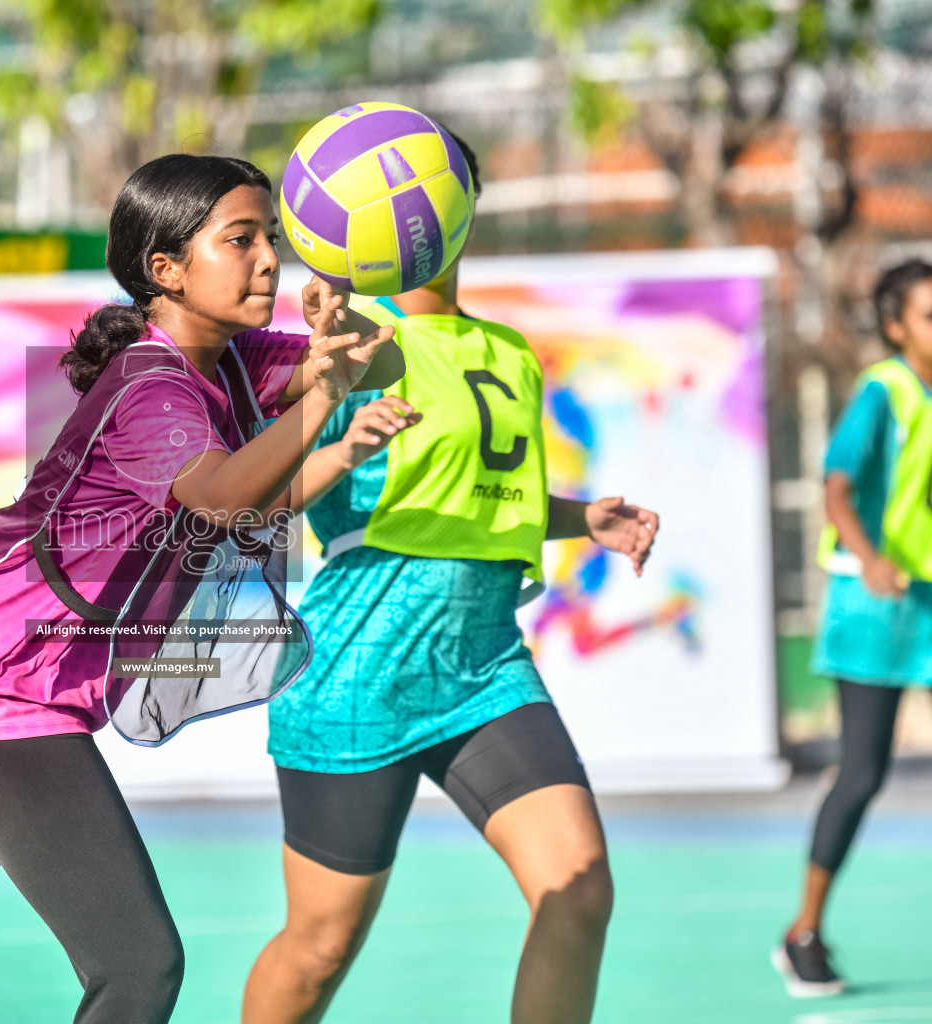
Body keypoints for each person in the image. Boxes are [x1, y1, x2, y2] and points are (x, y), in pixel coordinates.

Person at [0, 152, 401, 1024]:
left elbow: (384, 365)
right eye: (240, 240)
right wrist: (324, 398)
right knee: (138, 964)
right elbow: (225, 494)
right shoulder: (152, 387)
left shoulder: (235, 357)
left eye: (271, 237)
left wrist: (346, 329)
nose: (270, 259)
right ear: (165, 270)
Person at [241, 133, 660, 1024]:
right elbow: (257, 503)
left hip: (483, 668)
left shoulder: (508, 350)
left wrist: (579, 517)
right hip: (360, 672)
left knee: (578, 892)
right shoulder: (357, 344)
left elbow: (478, 501)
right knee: (318, 949)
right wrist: (330, 354)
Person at [775, 259, 932, 998]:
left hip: (925, 594)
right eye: (928, 316)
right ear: (897, 327)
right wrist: (869, 558)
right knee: (864, 773)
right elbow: (836, 488)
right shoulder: (883, 393)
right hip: (873, 603)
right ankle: (803, 931)